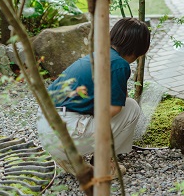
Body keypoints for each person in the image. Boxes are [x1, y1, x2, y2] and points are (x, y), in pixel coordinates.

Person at [36, 17, 150, 176]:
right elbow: (115, 108)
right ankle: (102, 164)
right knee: (131, 108)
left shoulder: (98, 55)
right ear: (137, 51)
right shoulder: (119, 64)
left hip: (46, 127)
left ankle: (69, 160)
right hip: (67, 133)